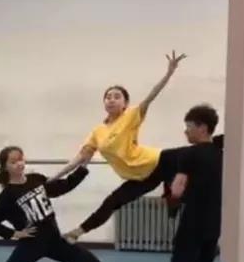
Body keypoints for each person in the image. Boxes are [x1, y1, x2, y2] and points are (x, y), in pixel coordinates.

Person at [53, 51, 188, 242]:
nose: (111, 99)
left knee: (191, 155)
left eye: (117, 97)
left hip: (158, 161)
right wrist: (54, 177)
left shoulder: (130, 115)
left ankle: (176, 196)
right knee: (111, 202)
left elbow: (151, 96)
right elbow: (78, 160)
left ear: (125, 104)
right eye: (108, 97)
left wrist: (169, 73)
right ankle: (76, 233)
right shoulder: (98, 132)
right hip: (139, 179)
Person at [168, 105, 223, 262]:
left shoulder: (188, 155)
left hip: (193, 221)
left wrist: (172, 193)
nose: (186, 132)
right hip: (215, 220)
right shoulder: (221, 154)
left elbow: (177, 190)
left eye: (189, 127)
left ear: (202, 127)